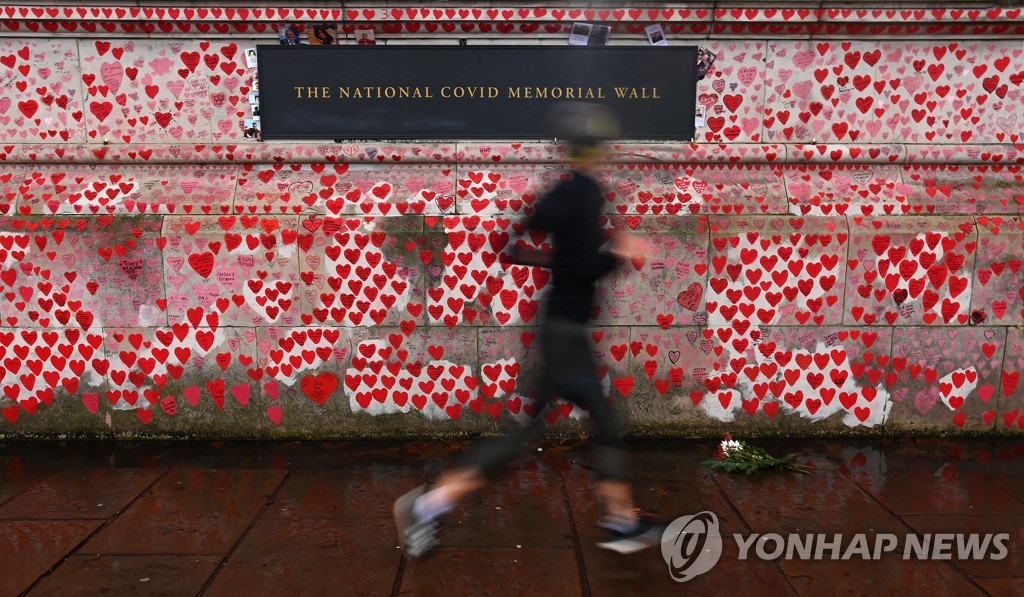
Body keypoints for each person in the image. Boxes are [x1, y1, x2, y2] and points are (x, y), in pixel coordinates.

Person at [394, 103, 661, 558]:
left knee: (522, 437)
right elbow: (581, 266)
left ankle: (428, 505)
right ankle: (619, 521)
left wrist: (572, 260)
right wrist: (617, 252)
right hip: (566, 334)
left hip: (557, 326)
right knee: (608, 423)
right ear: (596, 150)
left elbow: (515, 247)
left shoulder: (559, 192)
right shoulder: (587, 193)